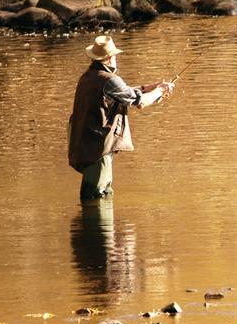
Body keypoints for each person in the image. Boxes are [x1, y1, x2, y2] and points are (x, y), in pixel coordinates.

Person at [68, 35, 174, 202]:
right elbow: (140, 102)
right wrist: (160, 91)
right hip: (98, 150)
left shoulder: (89, 75)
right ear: (110, 58)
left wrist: (149, 87)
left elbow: (123, 93)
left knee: (99, 196)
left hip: (88, 147)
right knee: (97, 198)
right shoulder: (109, 79)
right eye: (115, 56)